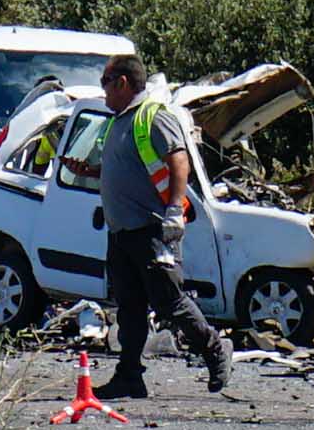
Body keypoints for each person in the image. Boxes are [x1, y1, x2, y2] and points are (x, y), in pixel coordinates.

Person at [92, 53, 232, 398]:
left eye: (105, 83)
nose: (104, 91)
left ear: (123, 82)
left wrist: (173, 210)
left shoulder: (152, 117)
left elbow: (178, 159)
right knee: (130, 308)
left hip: (151, 230)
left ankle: (215, 350)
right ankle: (129, 377)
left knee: (169, 300)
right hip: (122, 233)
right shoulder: (116, 122)